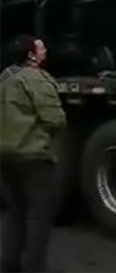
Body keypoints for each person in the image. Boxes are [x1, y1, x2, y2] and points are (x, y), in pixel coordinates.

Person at [0, 35, 67, 273]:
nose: (44, 51)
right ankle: (34, 267)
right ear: (30, 55)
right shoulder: (34, 79)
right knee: (39, 215)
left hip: (5, 155)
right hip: (33, 155)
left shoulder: (4, 78)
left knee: (15, 211)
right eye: (40, 48)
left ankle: (9, 262)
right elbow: (55, 119)